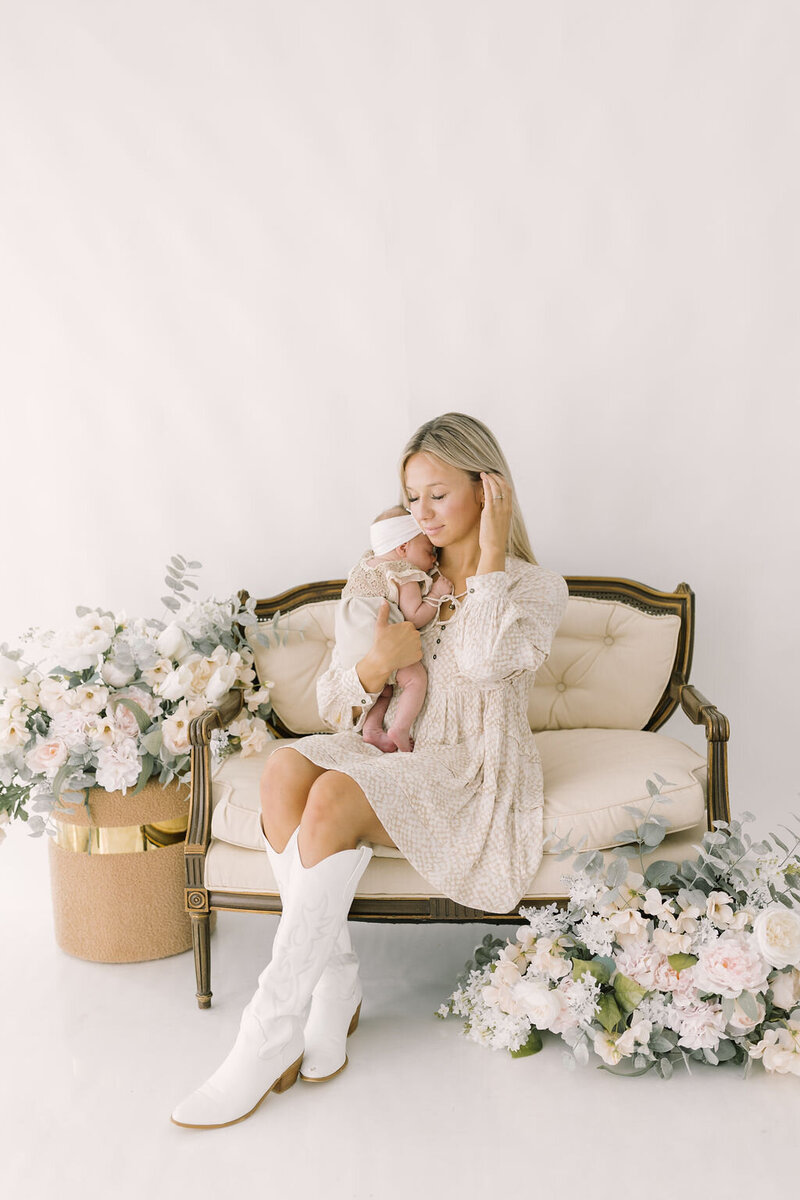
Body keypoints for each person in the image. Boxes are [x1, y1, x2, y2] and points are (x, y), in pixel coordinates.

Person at [170, 412, 569, 1130]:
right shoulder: (390, 571)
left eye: (438, 495)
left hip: (471, 767)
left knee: (331, 797)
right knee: (286, 769)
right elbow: (331, 702)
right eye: (412, 497)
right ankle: (335, 984)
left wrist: (488, 566)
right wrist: (376, 664)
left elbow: (480, 663)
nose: (421, 513)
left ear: (488, 490)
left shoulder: (531, 589)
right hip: (394, 746)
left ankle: (266, 1034)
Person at [338, 504, 454, 753]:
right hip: (378, 638)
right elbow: (415, 617)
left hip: (351, 648)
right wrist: (435, 594)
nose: (434, 558)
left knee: (384, 687)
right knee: (415, 679)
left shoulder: (363, 565)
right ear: (403, 548)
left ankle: (371, 730)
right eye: (429, 550)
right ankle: (400, 728)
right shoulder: (403, 571)